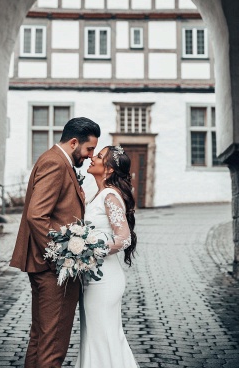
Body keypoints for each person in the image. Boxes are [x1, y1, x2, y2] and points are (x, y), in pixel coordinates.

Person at [9, 117, 100, 368]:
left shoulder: (56, 160)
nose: (91, 155)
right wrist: (62, 256)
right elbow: (36, 215)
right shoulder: (56, 163)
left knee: (40, 339)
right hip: (53, 269)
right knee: (53, 345)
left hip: (43, 266)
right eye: (89, 148)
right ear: (73, 142)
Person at [74, 145, 139, 368]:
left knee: (103, 337)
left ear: (109, 169)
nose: (92, 157)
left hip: (105, 279)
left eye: (99, 156)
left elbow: (124, 238)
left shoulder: (110, 196)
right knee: (94, 336)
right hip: (92, 278)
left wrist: (89, 249)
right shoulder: (98, 195)